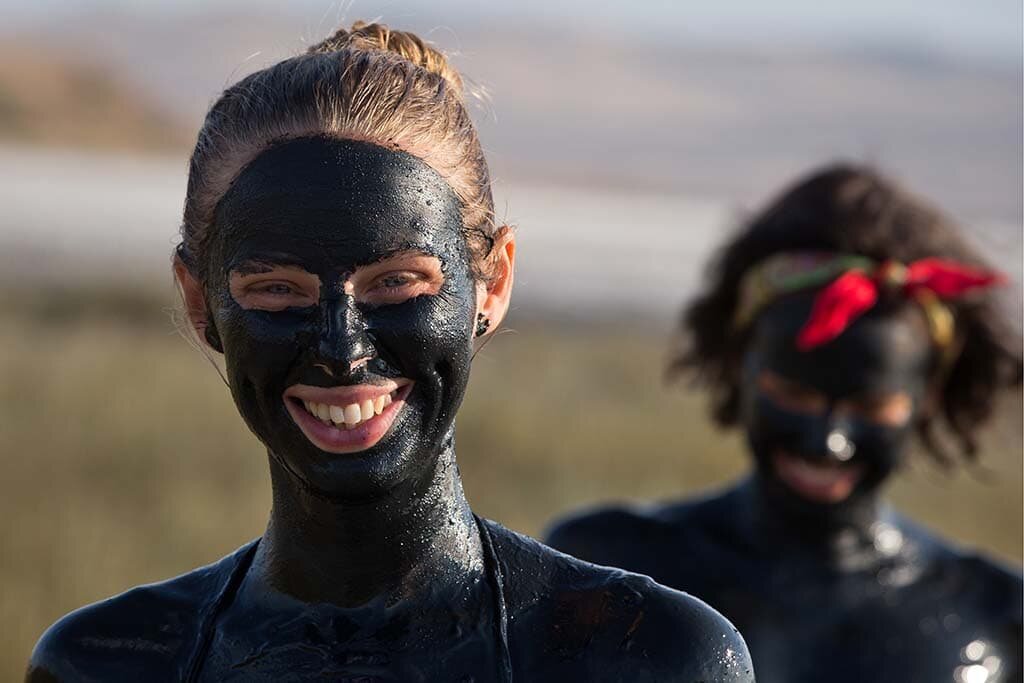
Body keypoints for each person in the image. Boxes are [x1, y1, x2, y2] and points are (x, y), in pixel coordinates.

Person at [26, 22, 753, 682]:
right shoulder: (108, 663)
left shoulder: (646, 656)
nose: (342, 349)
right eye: (278, 291)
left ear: (491, 284)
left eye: (397, 282)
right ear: (198, 301)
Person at [547, 163, 1022, 682]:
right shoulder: (601, 570)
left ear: (927, 398)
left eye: (870, 407)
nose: (829, 441)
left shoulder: (1000, 621)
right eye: (795, 393)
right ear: (738, 368)